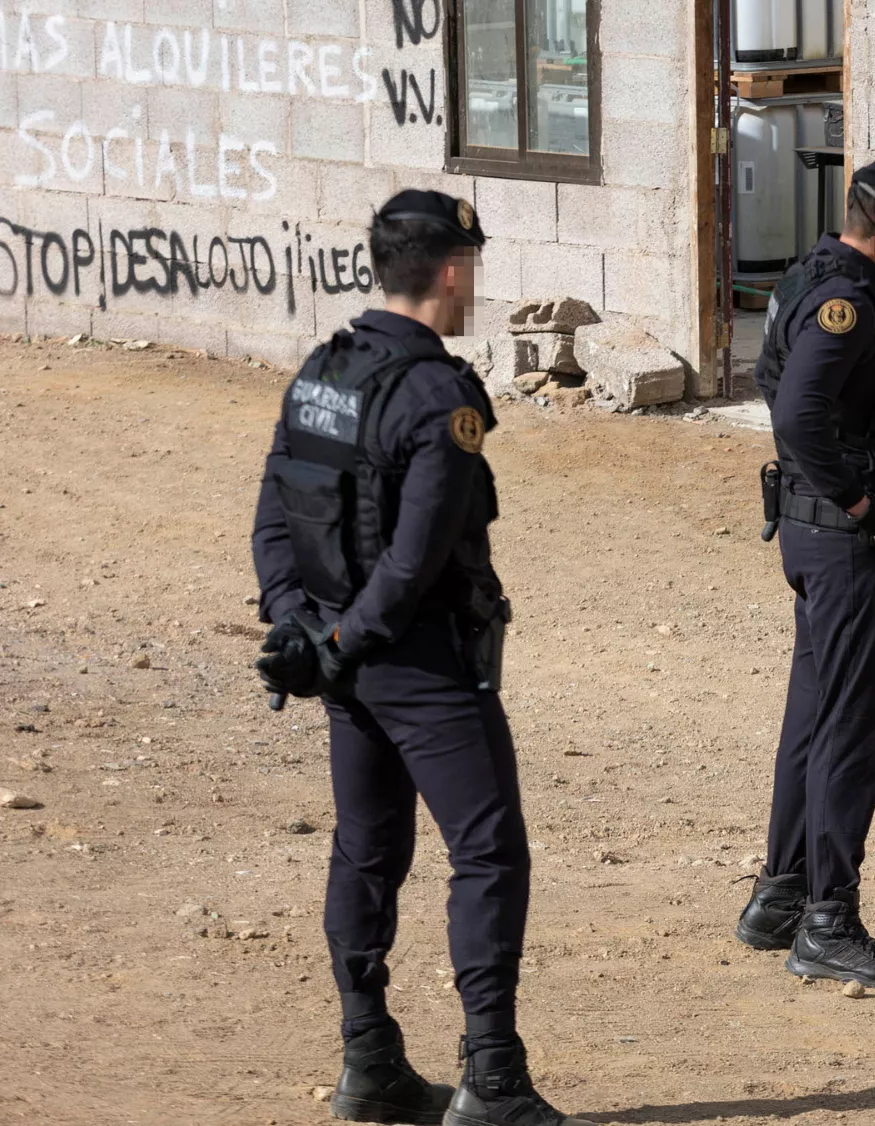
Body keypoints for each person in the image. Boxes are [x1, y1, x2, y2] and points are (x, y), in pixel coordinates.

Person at [252, 189, 591, 1126]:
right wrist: (342, 639)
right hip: (418, 662)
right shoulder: (439, 395)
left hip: (340, 654)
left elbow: (274, 512)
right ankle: (494, 1079)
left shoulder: (324, 369)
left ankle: (369, 1060)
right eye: (470, 267)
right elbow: (416, 557)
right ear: (449, 270)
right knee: (487, 850)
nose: (471, 282)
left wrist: (302, 631)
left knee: (367, 849)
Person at [732, 157, 875, 989]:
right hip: (842, 541)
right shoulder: (846, 303)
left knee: (814, 715)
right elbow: (795, 411)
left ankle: (781, 894)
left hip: (811, 533)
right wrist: (860, 503)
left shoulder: (813, 277)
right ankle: (829, 921)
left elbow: (771, 379)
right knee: (850, 725)